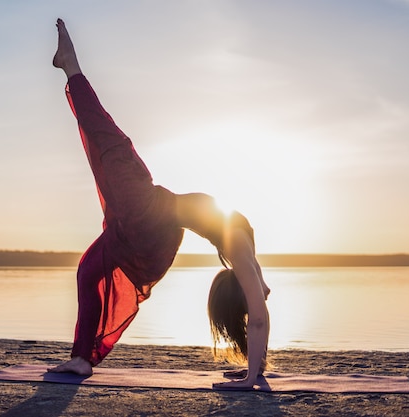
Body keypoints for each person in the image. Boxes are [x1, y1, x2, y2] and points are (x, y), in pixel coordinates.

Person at [49, 19, 270, 390]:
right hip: (154, 225)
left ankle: (71, 65)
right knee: (89, 271)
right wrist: (255, 368)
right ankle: (81, 360)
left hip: (151, 215)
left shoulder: (238, 244)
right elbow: (260, 304)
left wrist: (249, 380)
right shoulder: (245, 255)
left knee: (112, 145)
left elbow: (260, 315)